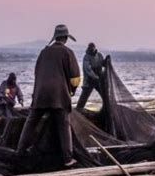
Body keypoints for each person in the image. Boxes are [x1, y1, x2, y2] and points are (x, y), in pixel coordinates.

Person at [17, 24, 81, 167]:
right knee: (64, 124)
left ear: (55, 37)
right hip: (59, 96)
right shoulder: (68, 53)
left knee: (31, 122)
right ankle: (67, 159)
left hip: (40, 95)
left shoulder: (43, 52)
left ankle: (20, 151)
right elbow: (75, 78)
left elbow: (37, 72)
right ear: (65, 38)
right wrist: (72, 90)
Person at [76, 42, 106, 110]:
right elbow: (88, 69)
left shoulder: (99, 55)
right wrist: (95, 77)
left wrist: (106, 61)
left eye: (93, 48)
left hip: (99, 80)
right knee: (84, 97)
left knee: (105, 95)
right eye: (90, 48)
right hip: (89, 81)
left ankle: (107, 108)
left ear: (95, 48)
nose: (92, 49)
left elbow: (102, 63)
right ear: (88, 48)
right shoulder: (86, 57)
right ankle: (78, 110)